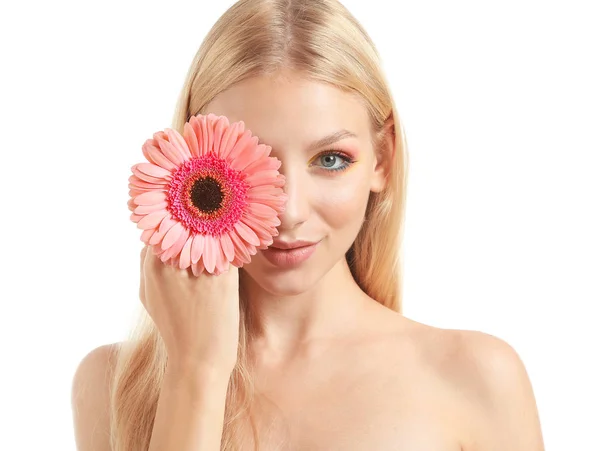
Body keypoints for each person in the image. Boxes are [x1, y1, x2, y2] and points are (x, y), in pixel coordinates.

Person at [71, 0, 545, 450]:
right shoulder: (110, 386)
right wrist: (196, 371)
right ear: (195, 164)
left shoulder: (476, 379)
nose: (290, 210)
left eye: (331, 159)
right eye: (253, 161)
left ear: (383, 158)